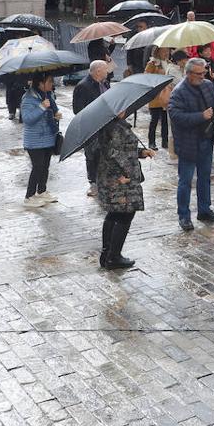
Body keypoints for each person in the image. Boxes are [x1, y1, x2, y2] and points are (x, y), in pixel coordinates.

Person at [169, 57, 214, 230]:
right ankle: (184, 216)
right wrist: (200, 116)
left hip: (206, 139)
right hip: (188, 143)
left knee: (204, 178)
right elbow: (175, 116)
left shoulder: (208, 85)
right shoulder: (178, 92)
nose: (203, 76)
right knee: (185, 181)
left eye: (204, 73)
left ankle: (204, 210)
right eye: (199, 74)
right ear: (188, 74)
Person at [95, 115, 154, 269]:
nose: (125, 109)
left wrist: (141, 152)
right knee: (125, 214)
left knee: (115, 213)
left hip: (117, 177)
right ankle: (113, 257)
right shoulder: (114, 127)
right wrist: (126, 174)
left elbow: (125, 149)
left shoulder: (114, 124)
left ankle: (107, 254)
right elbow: (113, 153)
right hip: (120, 179)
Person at [20, 73, 61, 207]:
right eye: (49, 82)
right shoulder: (28, 98)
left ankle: (42, 191)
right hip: (35, 140)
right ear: (40, 83)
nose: (51, 84)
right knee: (37, 167)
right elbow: (27, 119)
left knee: (45, 167)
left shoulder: (48, 95)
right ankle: (29, 196)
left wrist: (56, 114)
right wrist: (42, 107)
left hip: (48, 137)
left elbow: (52, 111)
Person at [73, 60, 110, 196]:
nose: (108, 72)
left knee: (105, 153)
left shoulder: (105, 83)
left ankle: (104, 180)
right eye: (106, 70)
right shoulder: (83, 86)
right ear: (98, 71)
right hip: (90, 127)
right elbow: (77, 110)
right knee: (91, 155)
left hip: (106, 125)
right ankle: (93, 183)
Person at [144, 47, 172, 151]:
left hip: (165, 95)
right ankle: (152, 142)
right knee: (154, 120)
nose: (166, 53)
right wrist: (156, 72)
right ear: (158, 52)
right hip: (155, 96)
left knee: (165, 120)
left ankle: (165, 141)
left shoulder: (169, 63)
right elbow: (146, 76)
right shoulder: (152, 63)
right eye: (164, 51)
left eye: (167, 51)